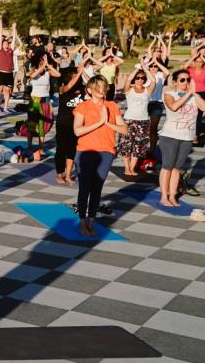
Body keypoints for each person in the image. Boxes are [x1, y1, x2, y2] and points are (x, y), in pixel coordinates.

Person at [72, 76, 128, 236]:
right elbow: (77, 131)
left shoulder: (112, 105)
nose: (101, 90)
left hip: (106, 151)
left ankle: (91, 223)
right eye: (97, 87)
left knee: (97, 188)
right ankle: (82, 223)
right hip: (85, 151)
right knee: (84, 188)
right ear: (89, 90)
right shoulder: (83, 106)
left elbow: (124, 130)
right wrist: (99, 122)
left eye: (103, 86)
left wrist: (107, 123)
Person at [157, 71, 205, 207]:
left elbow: (204, 107)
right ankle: (163, 196)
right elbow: (173, 106)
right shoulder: (169, 94)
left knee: (177, 168)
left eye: (188, 79)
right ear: (175, 81)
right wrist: (189, 94)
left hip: (187, 137)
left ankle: (172, 196)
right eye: (182, 80)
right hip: (170, 135)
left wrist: (194, 93)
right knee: (167, 166)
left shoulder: (194, 96)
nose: (185, 82)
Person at [117, 69, 154, 176]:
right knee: (126, 145)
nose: (140, 80)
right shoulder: (129, 90)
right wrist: (137, 69)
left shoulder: (148, 90)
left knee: (138, 146)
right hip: (129, 120)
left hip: (143, 121)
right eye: (138, 78)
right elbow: (128, 80)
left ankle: (132, 168)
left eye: (142, 78)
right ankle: (126, 168)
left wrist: (145, 68)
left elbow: (154, 81)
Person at [54, 65, 84, 184]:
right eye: (71, 74)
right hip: (63, 124)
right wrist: (79, 72)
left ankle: (68, 175)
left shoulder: (82, 89)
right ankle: (59, 174)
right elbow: (69, 85)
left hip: (76, 125)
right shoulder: (63, 89)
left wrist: (84, 72)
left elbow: (93, 86)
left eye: (75, 74)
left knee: (72, 150)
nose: (74, 76)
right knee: (61, 150)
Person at [25, 55, 57, 155]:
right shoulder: (33, 71)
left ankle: (40, 147)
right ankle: (30, 145)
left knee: (42, 125)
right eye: (41, 62)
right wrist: (42, 66)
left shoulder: (48, 72)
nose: (43, 63)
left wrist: (49, 66)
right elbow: (33, 76)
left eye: (43, 62)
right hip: (34, 100)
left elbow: (58, 74)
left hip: (45, 101)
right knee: (32, 124)